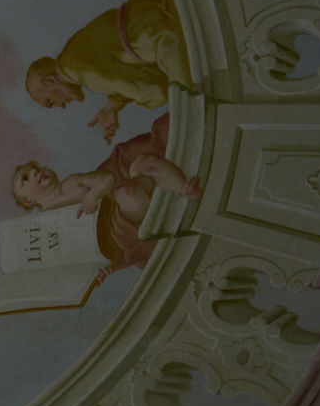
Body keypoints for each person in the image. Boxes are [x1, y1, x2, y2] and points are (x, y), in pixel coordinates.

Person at [12, 113, 202, 283]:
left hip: (124, 199)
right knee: (128, 194)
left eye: (35, 167)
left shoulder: (71, 184)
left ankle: (184, 189)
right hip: (123, 227)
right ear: (28, 201)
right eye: (25, 179)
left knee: (144, 163)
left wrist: (93, 194)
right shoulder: (47, 225)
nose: (35, 172)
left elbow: (108, 178)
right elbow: (81, 254)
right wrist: (103, 270)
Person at [25, 0, 193, 143]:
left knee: (188, 108)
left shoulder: (76, 70)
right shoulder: (71, 55)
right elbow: (123, 74)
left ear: (49, 81)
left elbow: (154, 91)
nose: (61, 106)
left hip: (163, 27)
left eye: (50, 102)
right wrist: (110, 108)